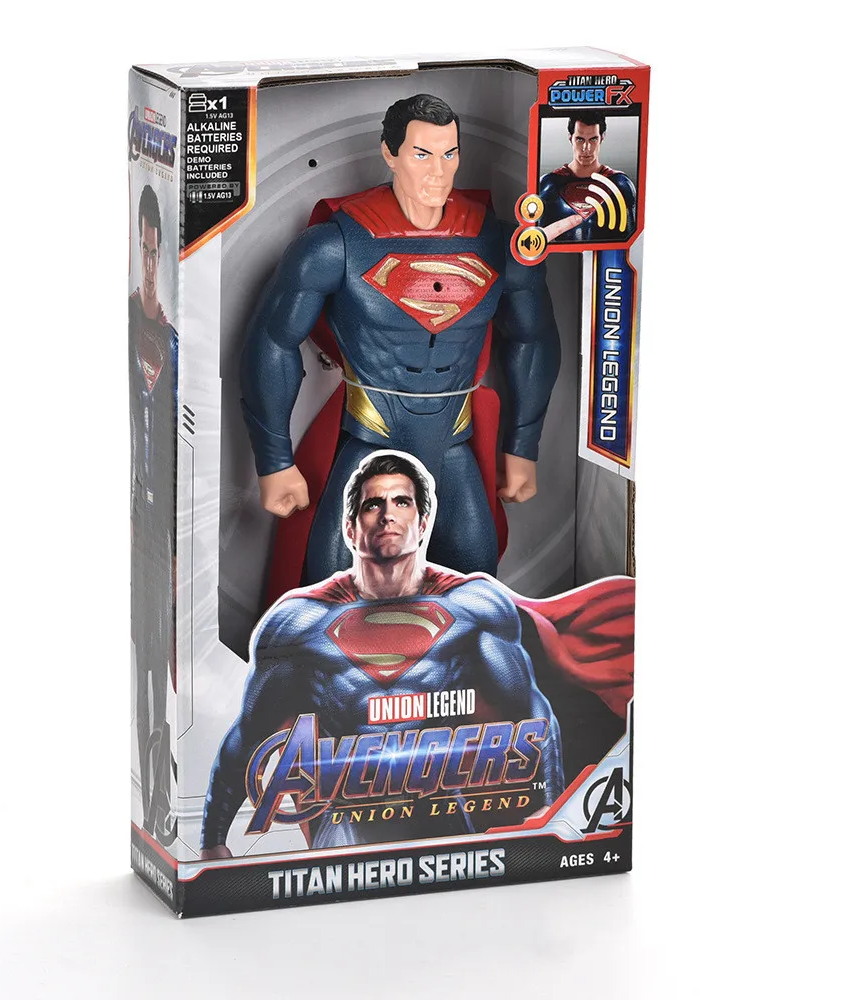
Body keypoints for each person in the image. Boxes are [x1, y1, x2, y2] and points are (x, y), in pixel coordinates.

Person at [240, 94, 561, 590]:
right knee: (334, 590)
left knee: (475, 587)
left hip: (452, 441)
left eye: (450, 153)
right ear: (389, 153)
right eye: (422, 154)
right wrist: (274, 460)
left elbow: (533, 339)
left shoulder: (499, 244)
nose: (439, 171)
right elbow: (272, 342)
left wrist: (523, 445)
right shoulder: (336, 245)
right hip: (371, 436)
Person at [201, 452, 566, 858]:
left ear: (423, 523)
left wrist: (549, 808)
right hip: (345, 815)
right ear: (350, 529)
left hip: (440, 806)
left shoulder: (474, 607)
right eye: (373, 504)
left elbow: (531, 711)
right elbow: (248, 735)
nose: (387, 515)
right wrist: (212, 841)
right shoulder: (301, 622)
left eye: (401, 502)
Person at [129, 183, 178, 844]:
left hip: (168, 523)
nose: (145, 263)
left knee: (167, 662)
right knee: (142, 660)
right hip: (135, 518)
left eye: (152, 250)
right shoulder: (124, 324)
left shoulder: (174, 338)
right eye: (139, 249)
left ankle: (164, 807)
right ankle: (149, 806)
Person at [538, 111, 637, 243]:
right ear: (570, 138)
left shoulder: (619, 184)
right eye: (580, 139)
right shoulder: (550, 184)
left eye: (593, 139)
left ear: (602, 138)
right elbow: (537, 241)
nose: (586, 148)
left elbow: (631, 242)